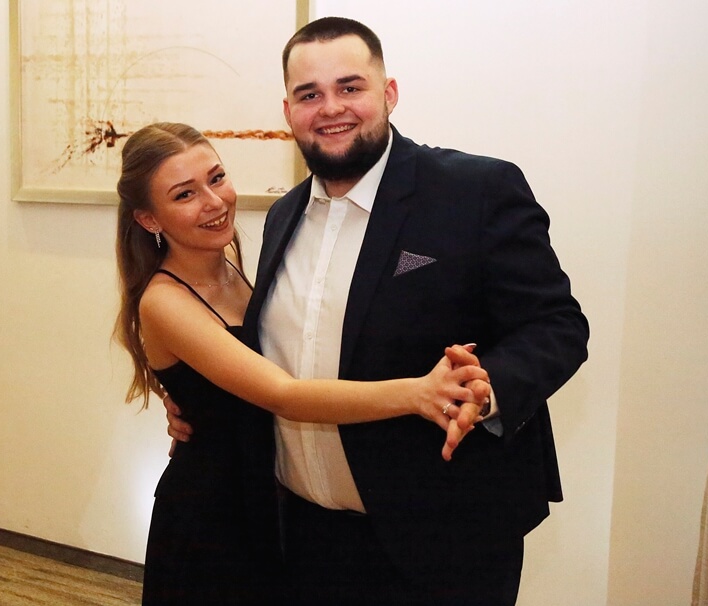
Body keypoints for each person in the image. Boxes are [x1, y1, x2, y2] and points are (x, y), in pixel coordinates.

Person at [166, 16, 590, 606]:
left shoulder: (476, 190)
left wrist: (486, 388)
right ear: (287, 111)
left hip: (444, 542)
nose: (330, 108)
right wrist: (196, 404)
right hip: (306, 540)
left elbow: (557, 326)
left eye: (350, 87)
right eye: (309, 94)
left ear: (388, 93)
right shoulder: (283, 216)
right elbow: (274, 356)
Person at [113, 121, 492, 605]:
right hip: (211, 514)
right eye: (185, 194)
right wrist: (419, 393)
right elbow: (283, 393)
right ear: (149, 219)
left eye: (217, 178)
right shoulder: (163, 301)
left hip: (265, 500)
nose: (213, 201)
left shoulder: (233, 271)